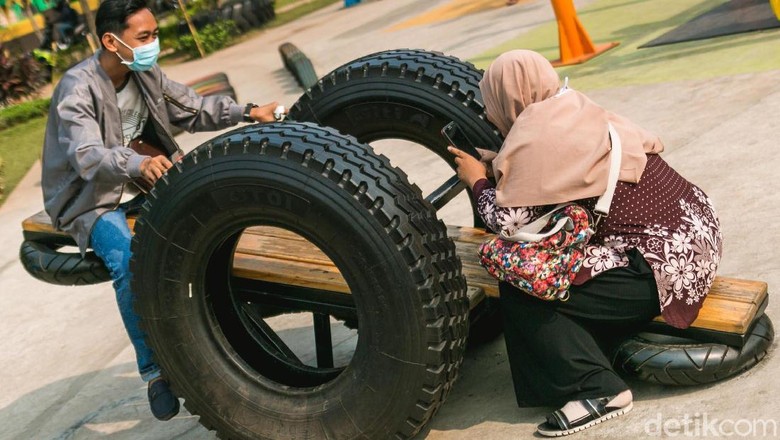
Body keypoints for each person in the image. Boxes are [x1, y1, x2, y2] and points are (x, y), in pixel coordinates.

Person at [448, 50, 722, 436]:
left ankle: (596, 390)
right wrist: (497, 167)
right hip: (696, 239)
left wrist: (477, 181)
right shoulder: (568, 108)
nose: (490, 114)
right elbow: (561, 180)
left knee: (522, 278)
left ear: (508, 97)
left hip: (658, 271)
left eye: (491, 102)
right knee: (553, 268)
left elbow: (509, 223)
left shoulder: (535, 136)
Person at [41, 0, 281, 421]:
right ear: (111, 41)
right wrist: (138, 164)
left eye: (156, 34)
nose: (155, 44)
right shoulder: (77, 88)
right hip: (91, 198)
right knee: (127, 259)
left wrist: (248, 112)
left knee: (211, 223)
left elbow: (190, 108)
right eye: (145, 37)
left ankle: (222, 328)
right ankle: (155, 370)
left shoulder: (144, 71)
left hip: (144, 177)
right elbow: (86, 156)